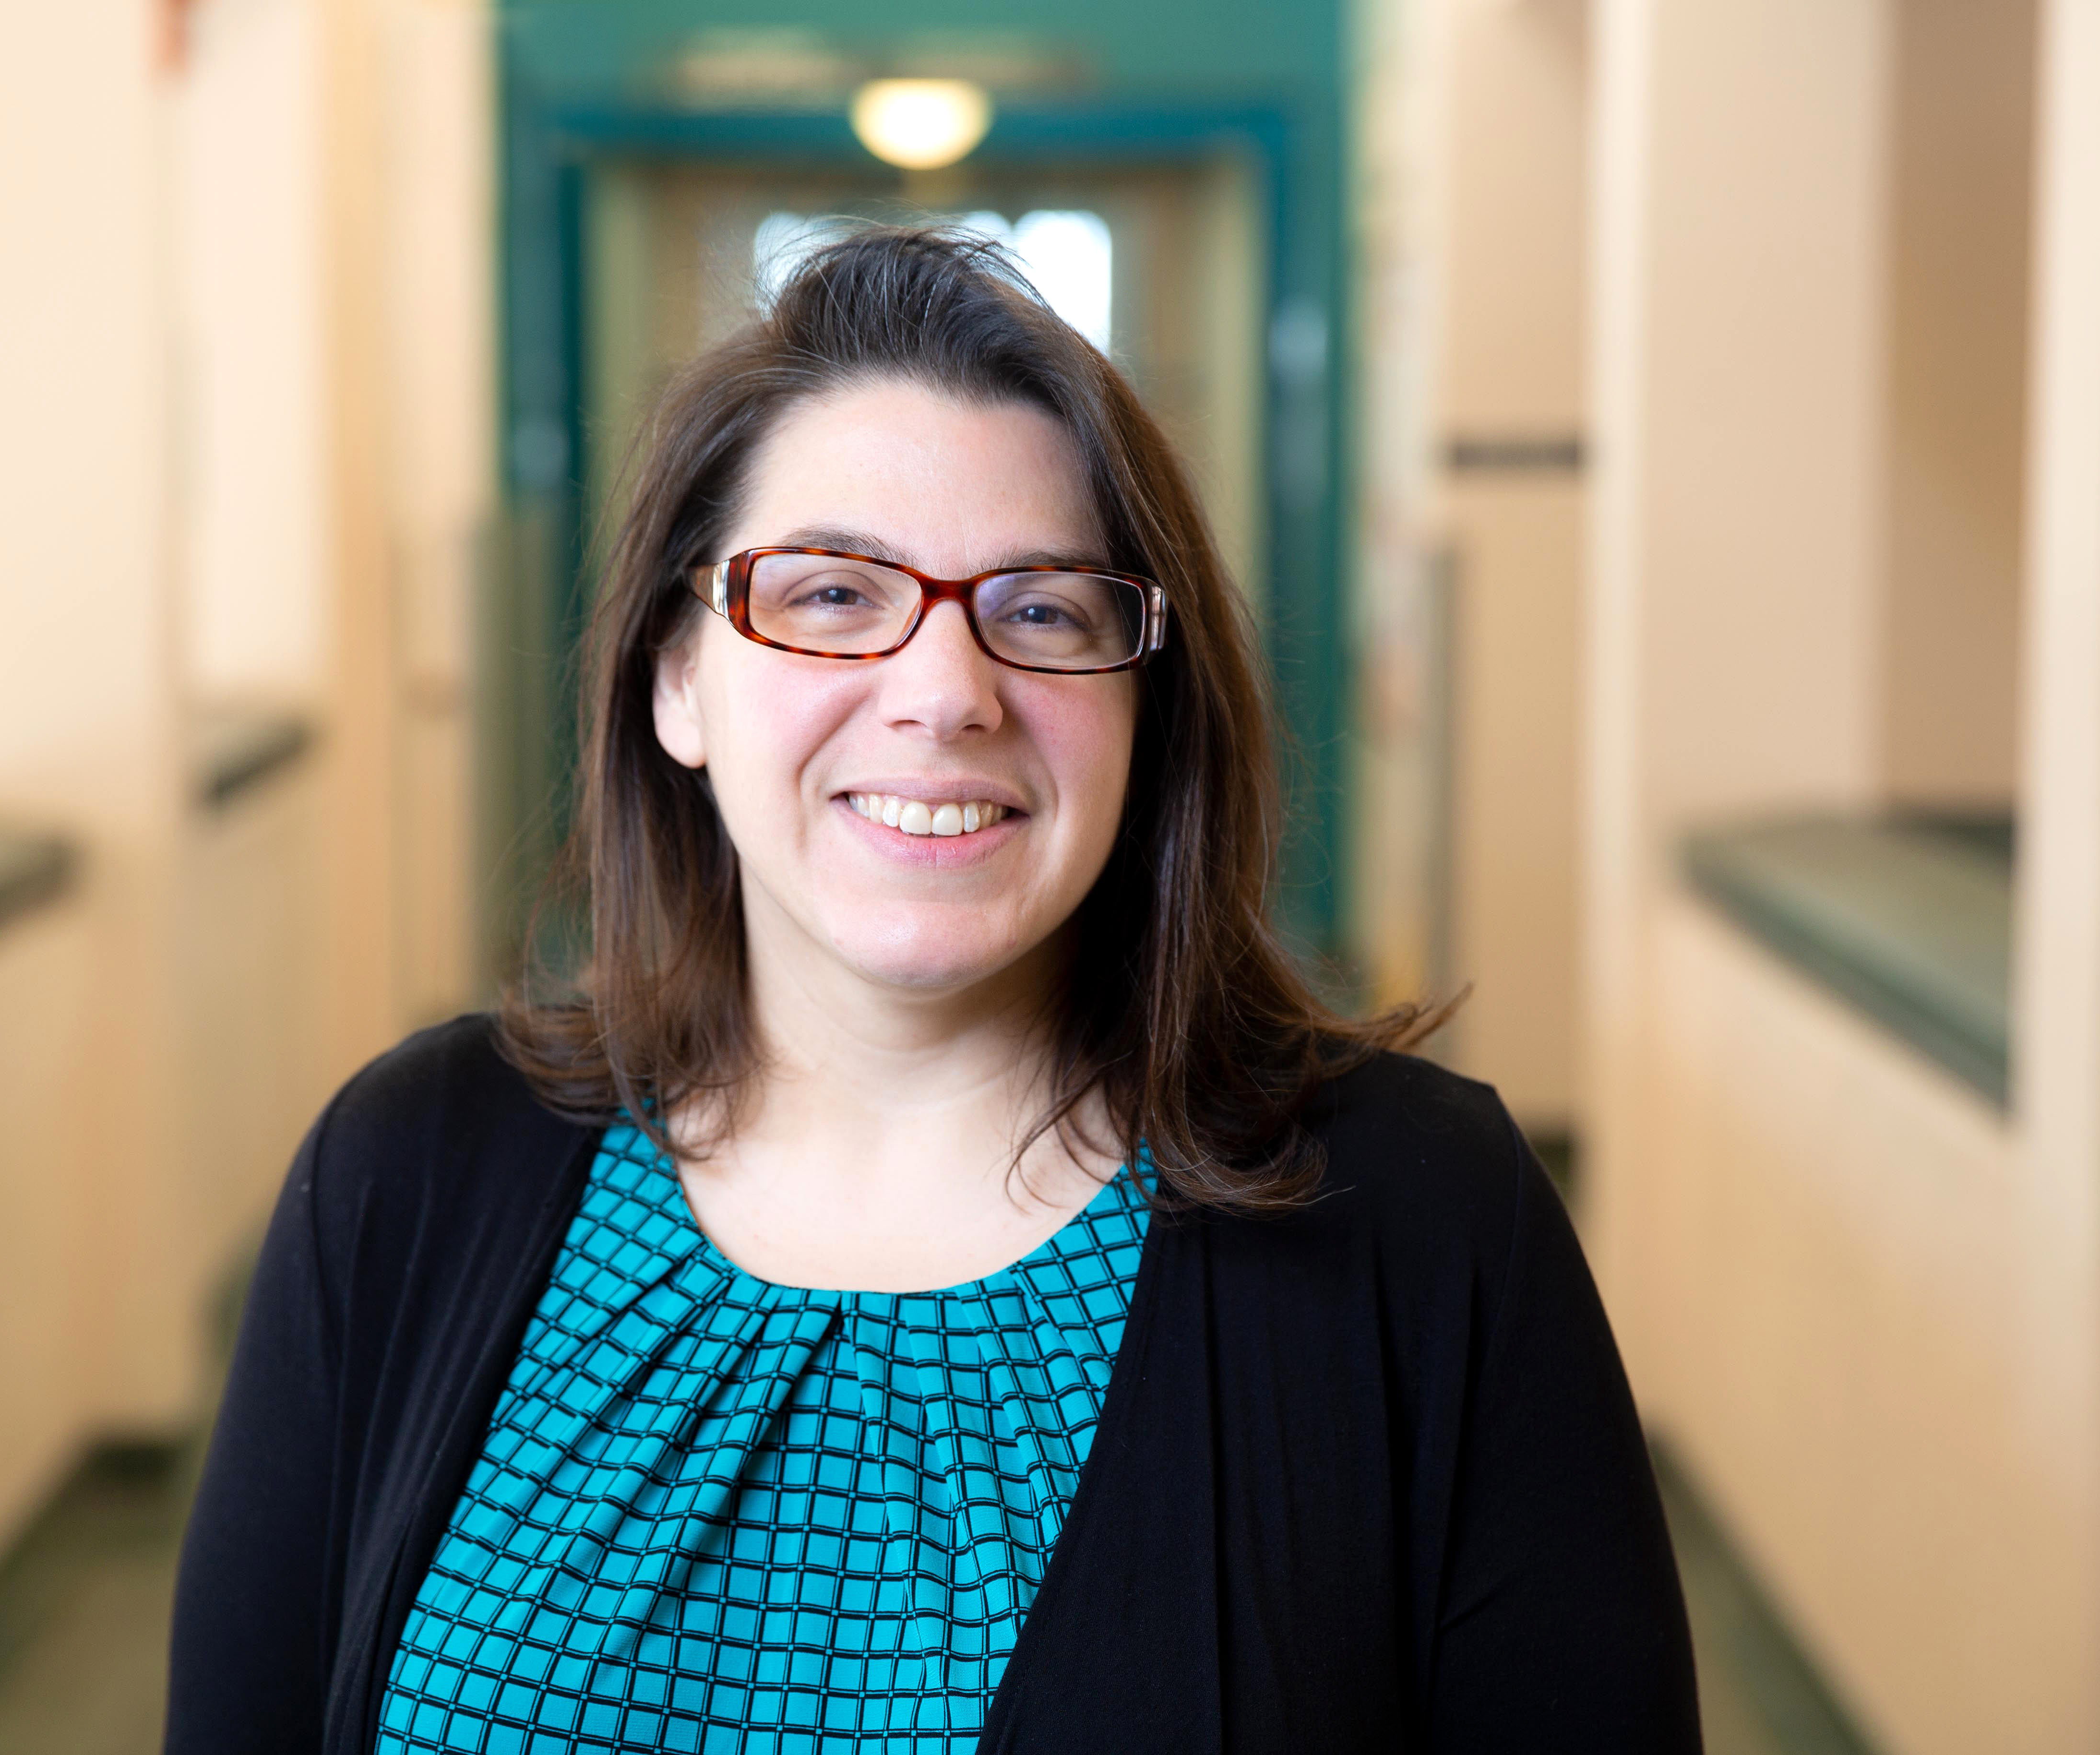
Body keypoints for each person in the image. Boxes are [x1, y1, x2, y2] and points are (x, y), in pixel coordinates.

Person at [166, 226, 1698, 1754]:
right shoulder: (408, 1172)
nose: (948, 692)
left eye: (1042, 611)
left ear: (1146, 705)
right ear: (676, 678)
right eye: (832, 594)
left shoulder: (1422, 1221)